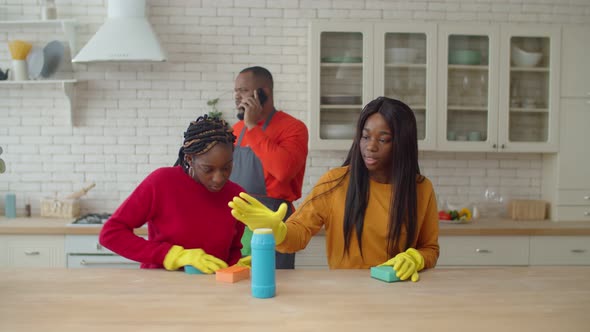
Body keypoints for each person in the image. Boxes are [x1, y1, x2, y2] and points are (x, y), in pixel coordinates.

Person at [230, 97, 439, 281]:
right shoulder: (335, 183)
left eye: (383, 139)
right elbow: (298, 234)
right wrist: (277, 230)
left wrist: (417, 257)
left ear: (403, 143)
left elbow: (430, 248)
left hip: (400, 293)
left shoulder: (421, 189)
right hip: (346, 293)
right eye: (365, 137)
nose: (371, 146)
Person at [99, 115, 247, 273]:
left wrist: (238, 267)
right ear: (190, 159)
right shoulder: (161, 183)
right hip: (162, 287)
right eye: (208, 169)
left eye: (226, 168)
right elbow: (111, 233)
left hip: (213, 290)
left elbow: (233, 250)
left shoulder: (236, 196)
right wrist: (172, 255)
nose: (219, 178)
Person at [230, 66, 309, 269]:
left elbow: (283, 171)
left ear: (263, 92)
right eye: (236, 91)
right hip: (237, 218)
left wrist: (252, 127)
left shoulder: (293, 128)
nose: (237, 96)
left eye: (244, 90)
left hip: (272, 219)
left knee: (276, 282)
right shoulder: (235, 130)